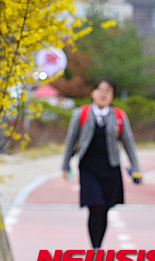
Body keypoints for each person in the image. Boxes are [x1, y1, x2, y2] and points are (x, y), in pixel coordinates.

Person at [61, 77, 142, 249]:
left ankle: (98, 245)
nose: (104, 95)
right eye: (100, 90)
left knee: (104, 208)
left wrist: (136, 169)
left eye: (108, 91)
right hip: (88, 168)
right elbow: (70, 141)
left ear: (112, 95)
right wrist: (65, 165)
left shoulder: (119, 116)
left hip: (110, 167)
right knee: (95, 205)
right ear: (93, 93)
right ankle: (95, 247)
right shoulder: (81, 114)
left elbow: (129, 144)